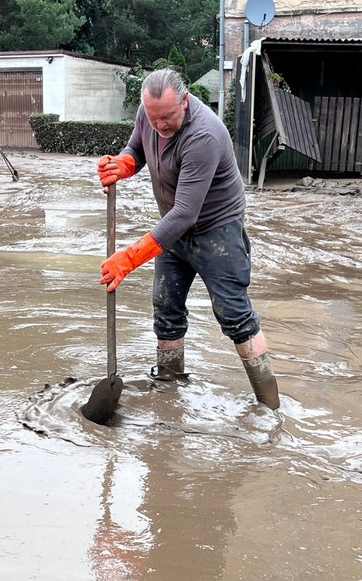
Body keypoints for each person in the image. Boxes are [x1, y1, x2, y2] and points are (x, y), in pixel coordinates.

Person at [96, 69, 279, 410]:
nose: (160, 126)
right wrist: (124, 163)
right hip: (173, 230)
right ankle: (169, 390)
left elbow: (185, 213)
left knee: (234, 315)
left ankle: (269, 405)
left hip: (216, 230)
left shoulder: (203, 136)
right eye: (154, 118)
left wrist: (129, 258)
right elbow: (137, 145)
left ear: (185, 100)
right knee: (165, 308)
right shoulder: (149, 113)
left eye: (167, 117)